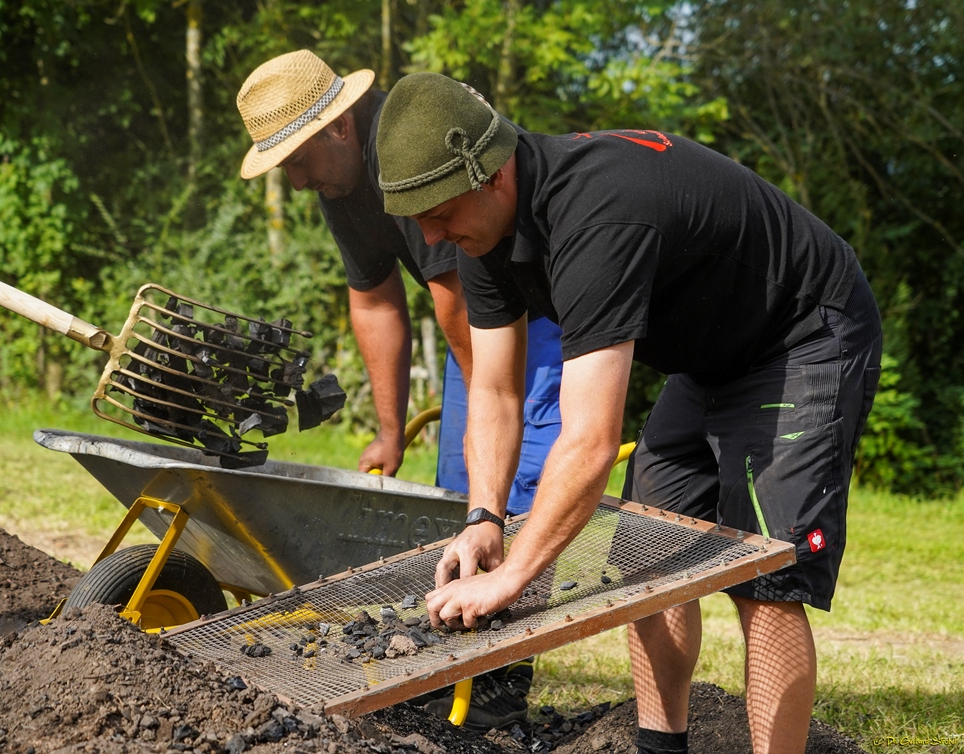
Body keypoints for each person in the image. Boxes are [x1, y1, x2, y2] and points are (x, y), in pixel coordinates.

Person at [375, 72, 882, 754]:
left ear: (492, 175)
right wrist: (484, 518)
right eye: (417, 218)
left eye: (438, 212)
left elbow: (588, 441)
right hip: (711, 359)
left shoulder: (598, 212)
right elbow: (495, 391)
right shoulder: (480, 238)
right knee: (649, 554)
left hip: (804, 335)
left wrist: (513, 576)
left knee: (769, 576)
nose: (430, 234)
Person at [235, 51, 562, 728]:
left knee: (509, 491)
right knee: (462, 496)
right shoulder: (337, 183)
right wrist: (390, 429)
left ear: (340, 128)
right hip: (472, 324)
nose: (294, 180)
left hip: (538, 316)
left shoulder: (402, 145)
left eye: (296, 159)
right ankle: (462, 662)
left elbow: (457, 294)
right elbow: (376, 299)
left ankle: (499, 690)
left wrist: (490, 408)